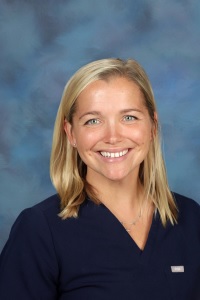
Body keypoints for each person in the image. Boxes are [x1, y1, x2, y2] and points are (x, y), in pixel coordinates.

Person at [0, 58, 200, 300]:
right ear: (71, 133)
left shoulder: (191, 219)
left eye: (129, 117)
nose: (113, 136)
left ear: (153, 127)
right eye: (93, 121)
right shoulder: (40, 231)